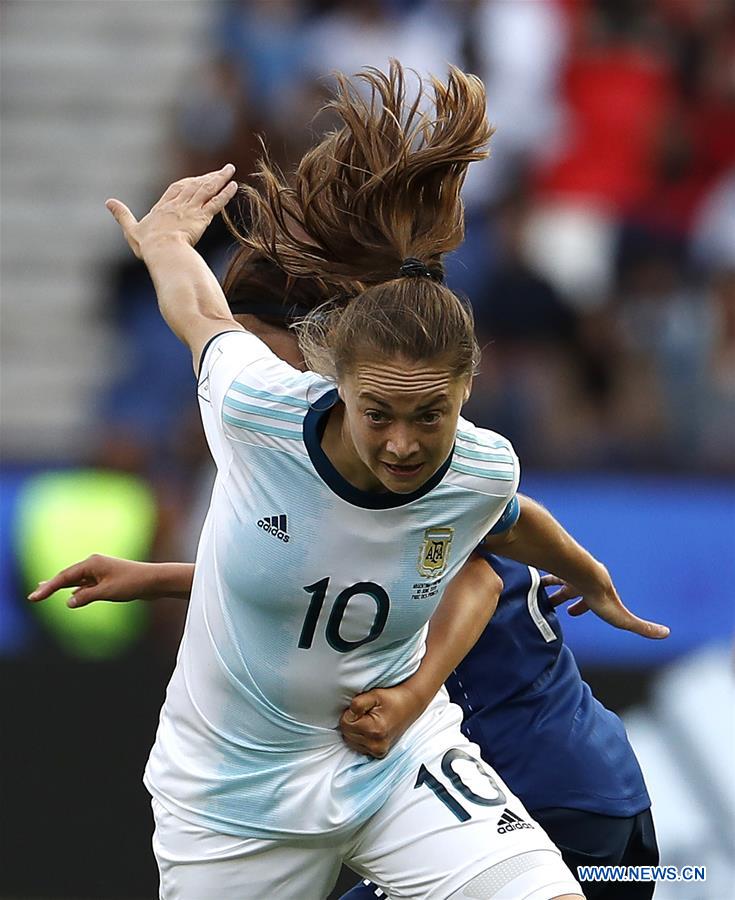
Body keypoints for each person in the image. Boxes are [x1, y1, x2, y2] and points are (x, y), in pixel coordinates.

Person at [45, 63, 670, 898]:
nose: (406, 444)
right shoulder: (261, 413)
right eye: (381, 414)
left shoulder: (470, 463)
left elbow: (489, 554)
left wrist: (575, 582)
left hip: (478, 773)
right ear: (337, 375)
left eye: (430, 416)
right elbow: (329, 566)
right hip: (240, 798)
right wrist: (162, 243)